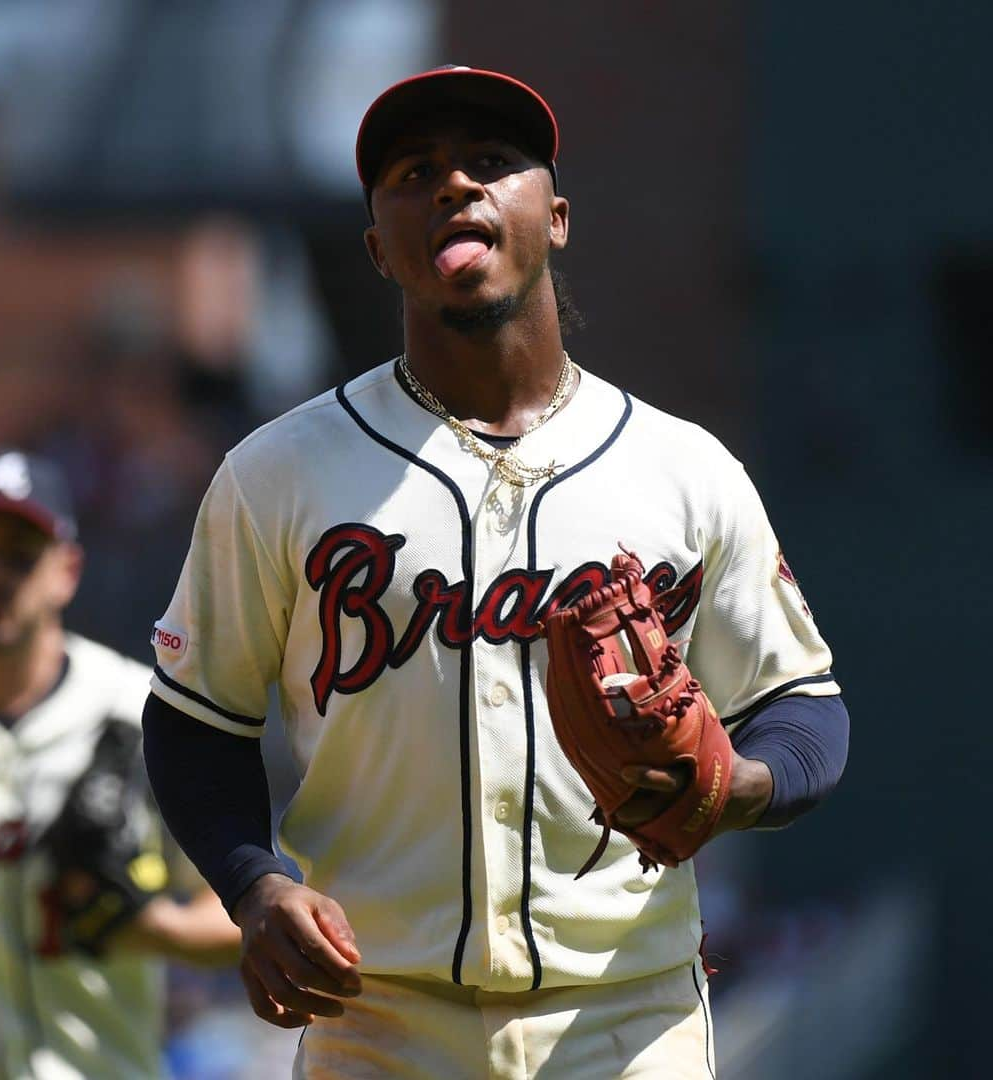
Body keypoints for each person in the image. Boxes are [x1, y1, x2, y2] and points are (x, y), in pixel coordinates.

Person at [142, 66, 849, 1078]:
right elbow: (195, 719)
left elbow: (805, 706)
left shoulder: (683, 469)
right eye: (416, 171)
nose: (455, 186)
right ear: (379, 248)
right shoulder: (278, 474)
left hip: (627, 1018)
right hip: (379, 1022)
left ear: (555, 218)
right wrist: (252, 884)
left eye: (491, 164)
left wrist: (741, 782)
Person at [0, 449, 240, 1080]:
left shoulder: (143, 713)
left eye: (17, 553)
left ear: (66, 569)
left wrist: (149, 928)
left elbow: (241, 911)